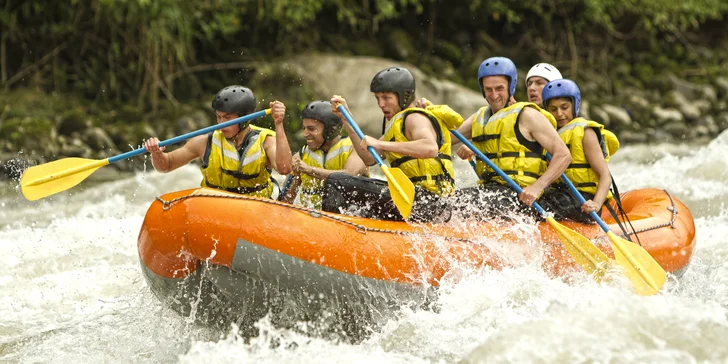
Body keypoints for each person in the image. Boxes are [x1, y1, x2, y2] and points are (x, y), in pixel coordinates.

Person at [325, 66, 464, 222]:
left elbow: (429, 148)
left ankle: (332, 230)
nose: (381, 104)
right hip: (413, 198)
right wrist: (346, 118)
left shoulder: (414, 118)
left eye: (386, 98)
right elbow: (369, 158)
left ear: (404, 96)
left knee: (337, 182)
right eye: (377, 98)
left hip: (429, 202)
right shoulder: (397, 126)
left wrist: (381, 144)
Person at [453, 56, 571, 219]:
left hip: (520, 196)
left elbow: (564, 155)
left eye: (499, 88)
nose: (494, 95)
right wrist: (429, 117)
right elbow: (447, 136)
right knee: (451, 200)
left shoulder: (527, 115)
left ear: (511, 86)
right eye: (488, 89)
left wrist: (537, 187)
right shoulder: (480, 117)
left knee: (463, 205)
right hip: (490, 191)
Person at [143, 85, 293, 198]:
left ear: (245, 119)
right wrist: (156, 153)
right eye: (218, 117)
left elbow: (284, 168)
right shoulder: (204, 142)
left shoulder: (266, 141)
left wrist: (278, 124)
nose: (221, 123)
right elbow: (167, 165)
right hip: (215, 212)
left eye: (227, 118)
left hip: (254, 213)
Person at [540, 79, 620, 223]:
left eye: (564, 107)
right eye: (553, 109)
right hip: (559, 195)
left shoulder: (585, 132)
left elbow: (605, 175)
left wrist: (596, 203)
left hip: (582, 199)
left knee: (546, 206)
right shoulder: (549, 134)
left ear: (574, 105)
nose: (559, 113)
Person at [280, 100, 368, 209]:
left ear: (331, 129)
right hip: (311, 218)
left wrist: (309, 170)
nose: (305, 134)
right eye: (304, 128)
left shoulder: (355, 148)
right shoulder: (301, 156)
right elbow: (287, 199)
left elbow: (350, 175)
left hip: (349, 217)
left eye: (311, 129)